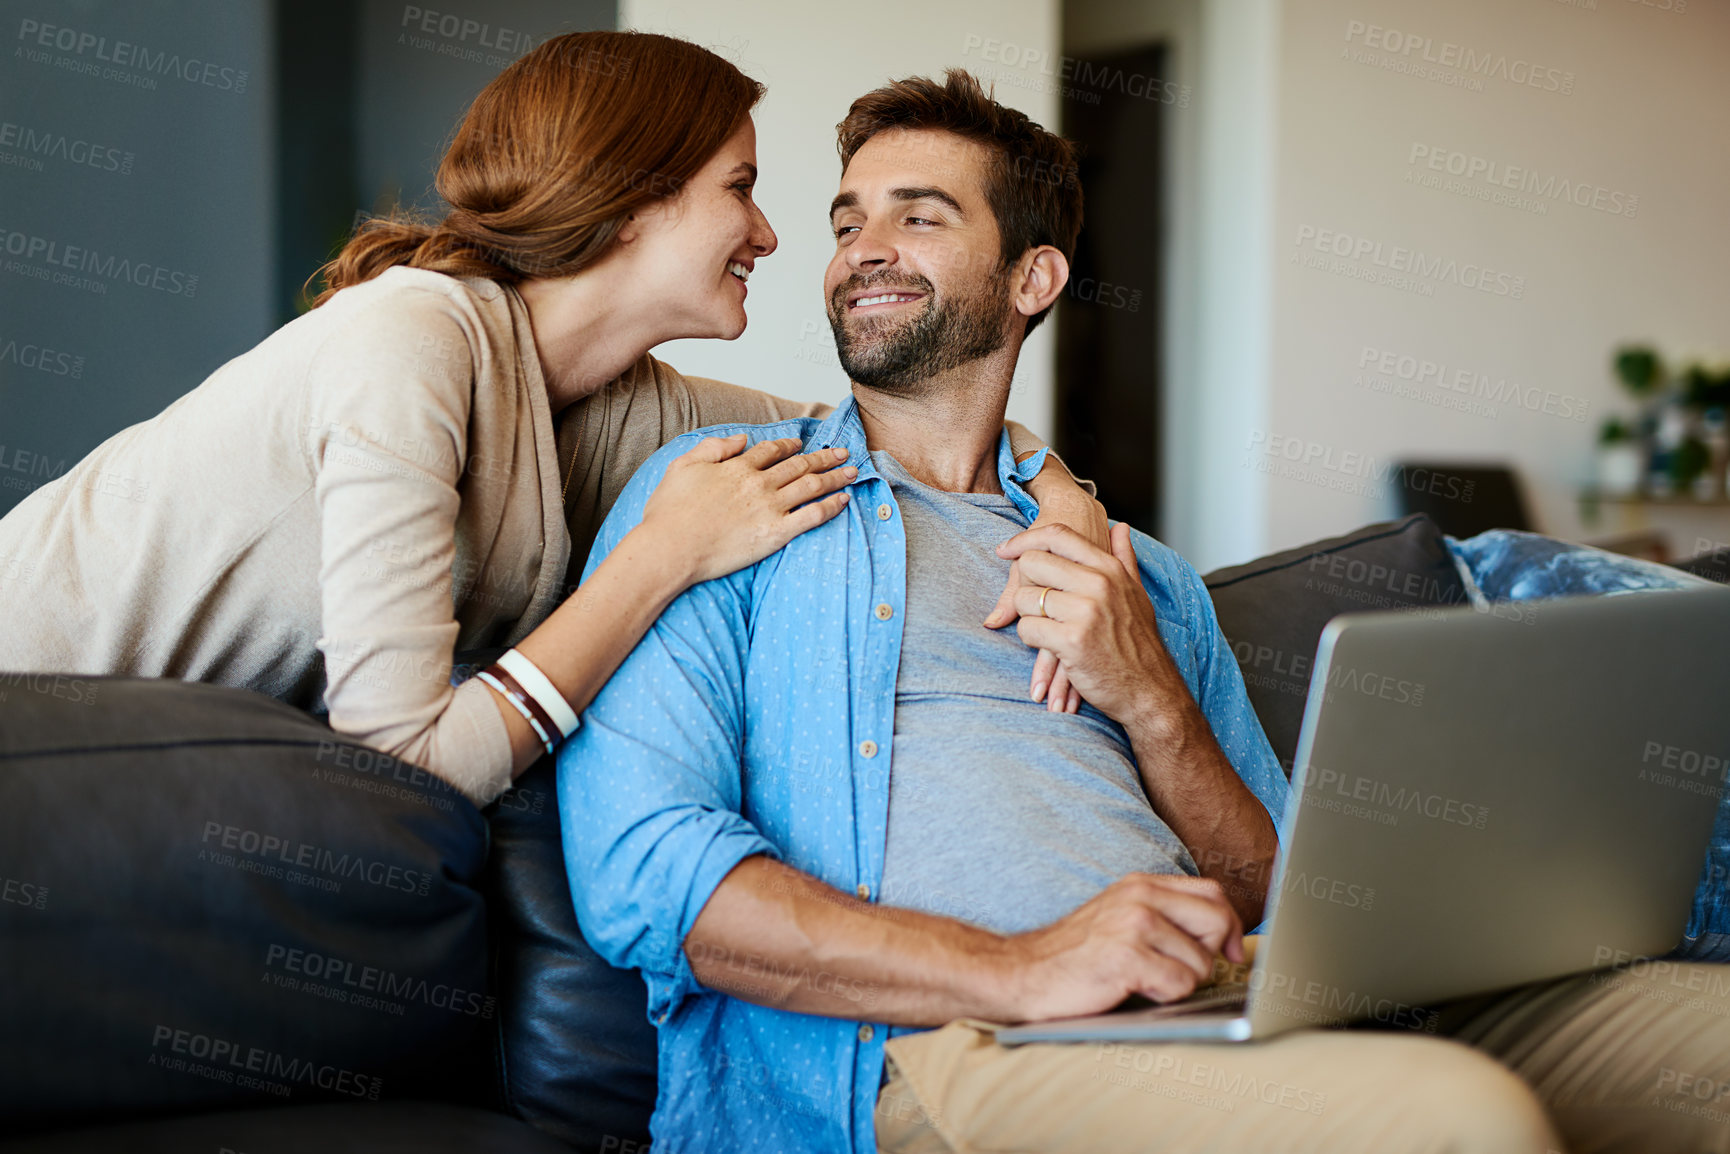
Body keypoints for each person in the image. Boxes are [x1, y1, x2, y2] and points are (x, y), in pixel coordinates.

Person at [558, 70, 1730, 1154]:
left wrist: (1151, 697)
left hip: (1230, 999)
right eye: (846, 219)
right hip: (945, 1046)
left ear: (1034, 278)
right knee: (1452, 1120)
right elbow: (645, 877)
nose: (861, 250)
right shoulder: (731, 498)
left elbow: (1282, 902)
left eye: (917, 216)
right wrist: (1022, 966)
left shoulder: (1142, 575)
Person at [0, 32, 1102, 805]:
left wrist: (1063, 500)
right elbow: (401, 764)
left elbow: (888, 427)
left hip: (129, 774)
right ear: (632, 200)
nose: (769, 235)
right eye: (740, 186)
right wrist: (657, 559)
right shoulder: (413, 342)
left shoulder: (605, 398)